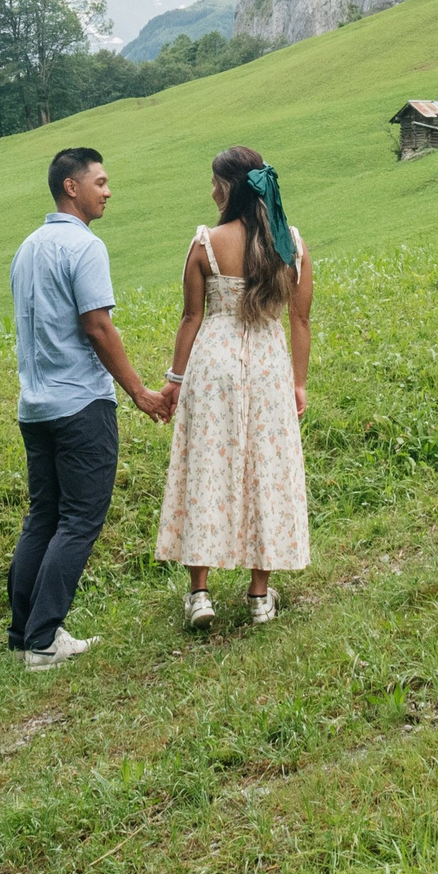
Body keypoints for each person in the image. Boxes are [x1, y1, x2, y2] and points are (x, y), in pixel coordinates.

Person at [6, 145, 173, 669]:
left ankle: (23, 634)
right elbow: (96, 326)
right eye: (99, 181)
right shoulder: (84, 247)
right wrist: (141, 393)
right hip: (80, 403)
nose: (108, 190)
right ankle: (43, 640)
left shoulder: (27, 247)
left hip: (35, 406)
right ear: (71, 188)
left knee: (43, 517)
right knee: (79, 520)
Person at [155, 146, 313, 628]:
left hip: (214, 366)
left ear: (228, 187)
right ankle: (260, 596)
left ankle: (200, 594)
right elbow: (301, 320)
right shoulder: (291, 243)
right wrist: (299, 384)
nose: (211, 191)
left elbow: (190, 317)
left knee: (206, 464)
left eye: (214, 183)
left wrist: (173, 381)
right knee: (266, 468)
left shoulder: (207, 242)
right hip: (268, 367)